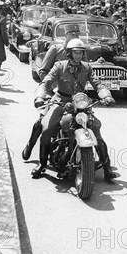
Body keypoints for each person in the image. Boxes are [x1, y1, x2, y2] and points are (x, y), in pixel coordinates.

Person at [31, 39, 117, 181]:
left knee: (95, 128)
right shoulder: (60, 66)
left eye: (80, 53)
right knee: (46, 128)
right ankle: (42, 164)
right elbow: (46, 82)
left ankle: (107, 168)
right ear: (69, 53)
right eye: (75, 53)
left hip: (81, 103)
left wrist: (106, 95)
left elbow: (98, 84)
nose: (78, 56)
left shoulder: (87, 67)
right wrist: (40, 96)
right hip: (61, 101)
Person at [22, 24, 82, 161]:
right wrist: (53, 87)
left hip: (73, 95)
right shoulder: (56, 48)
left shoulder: (80, 49)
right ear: (66, 35)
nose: (75, 36)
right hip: (52, 90)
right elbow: (43, 70)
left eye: (77, 34)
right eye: (72, 33)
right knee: (43, 120)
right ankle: (30, 145)